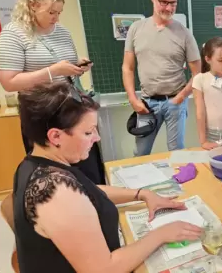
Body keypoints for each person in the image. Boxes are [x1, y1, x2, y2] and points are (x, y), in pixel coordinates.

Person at [14, 82, 202, 273]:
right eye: (88, 132)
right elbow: (104, 270)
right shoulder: (57, 193)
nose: (97, 138)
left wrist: (141, 194)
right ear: (55, 136)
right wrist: (161, 234)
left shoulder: (34, 163)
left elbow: (87, 190)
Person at [0, 0, 105, 185]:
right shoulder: (13, 34)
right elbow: (9, 82)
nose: (56, 17)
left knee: (87, 168)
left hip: (70, 109)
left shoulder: (61, 32)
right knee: (56, 175)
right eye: (51, 12)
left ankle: (96, 207)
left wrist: (76, 65)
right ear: (33, 5)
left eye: (59, 12)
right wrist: (53, 71)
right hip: (41, 114)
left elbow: (66, 63)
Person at [122, 0, 201, 156]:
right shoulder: (135, 29)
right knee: (141, 153)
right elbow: (128, 67)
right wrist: (133, 99)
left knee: (177, 153)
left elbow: (198, 74)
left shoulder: (184, 34)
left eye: (173, 3)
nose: (168, 8)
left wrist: (180, 98)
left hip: (175, 102)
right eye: (163, 2)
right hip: (146, 104)